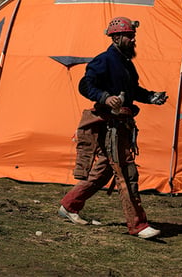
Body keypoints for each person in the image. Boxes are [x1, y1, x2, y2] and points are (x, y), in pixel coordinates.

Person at [58, 16, 168, 240]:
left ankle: (69, 206)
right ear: (116, 37)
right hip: (111, 127)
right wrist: (105, 98)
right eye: (129, 36)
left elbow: (133, 90)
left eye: (133, 36)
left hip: (122, 126)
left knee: (104, 170)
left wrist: (151, 97)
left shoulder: (126, 62)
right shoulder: (105, 60)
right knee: (127, 173)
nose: (133, 40)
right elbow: (85, 84)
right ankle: (138, 225)